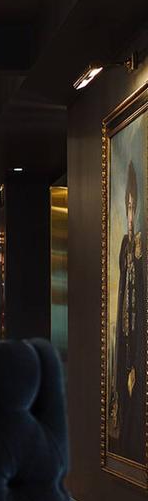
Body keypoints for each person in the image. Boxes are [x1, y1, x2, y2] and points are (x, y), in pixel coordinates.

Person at [109, 160, 146, 463]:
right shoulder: (126, 245)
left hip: (138, 336)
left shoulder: (140, 245)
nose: (130, 214)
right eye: (127, 207)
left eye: (134, 207)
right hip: (125, 335)